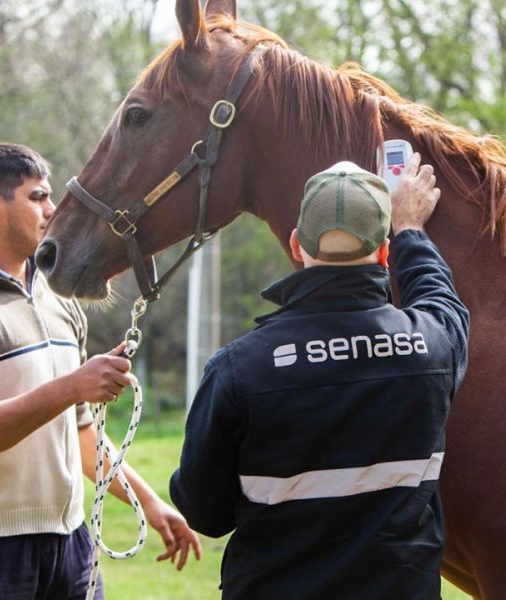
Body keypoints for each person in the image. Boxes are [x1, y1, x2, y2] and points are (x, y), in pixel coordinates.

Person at [0, 142, 201, 600]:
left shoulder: (59, 301)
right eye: (38, 196)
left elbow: (80, 433)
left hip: (71, 545)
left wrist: (149, 502)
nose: (53, 209)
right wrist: (70, 387)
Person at [170, 154, 470, 599]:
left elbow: (205, 513)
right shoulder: (433, 345)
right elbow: (440, 298)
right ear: (384, 252)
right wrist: (410, 230)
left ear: (296, 245)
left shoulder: (237, 368)